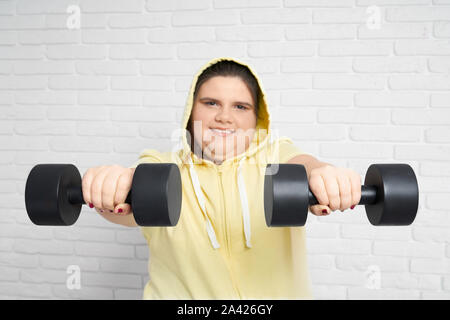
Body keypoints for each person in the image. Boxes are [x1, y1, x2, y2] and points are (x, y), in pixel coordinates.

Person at [81, 57, 362, 299]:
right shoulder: (162, 165)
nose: (224, 117)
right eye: (211, 103)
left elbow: (304, 164)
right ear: (191, 112)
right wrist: (110, 185)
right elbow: (127, 202)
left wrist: (324, 175)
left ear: (257, 119)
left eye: (240, 107)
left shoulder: (275, 157)